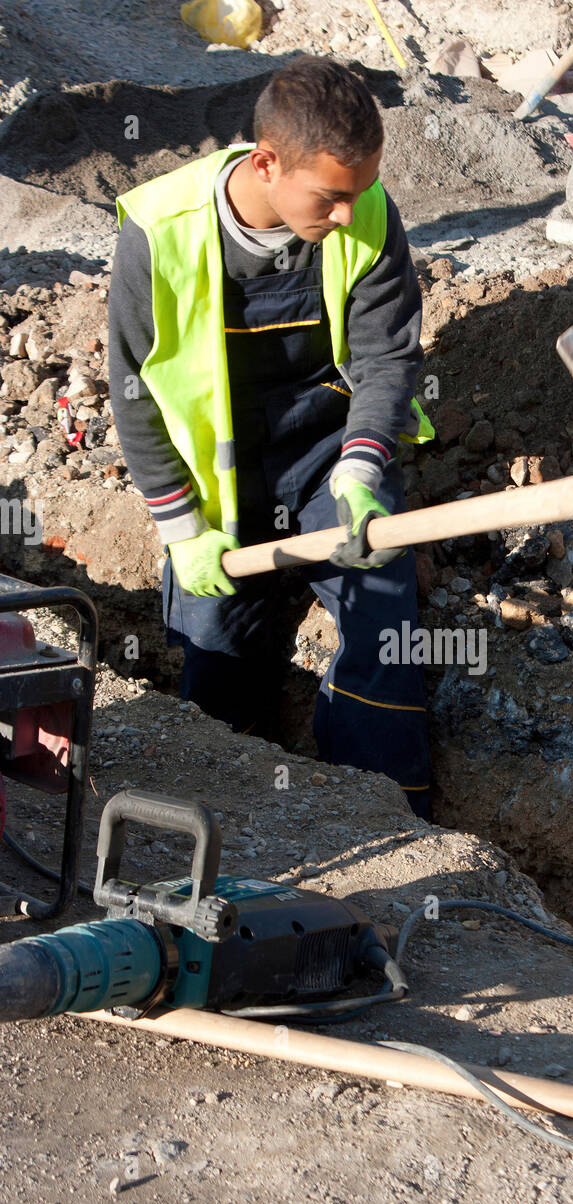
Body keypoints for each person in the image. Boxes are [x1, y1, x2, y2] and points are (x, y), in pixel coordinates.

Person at [108, 56, 434, 818]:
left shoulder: (370, 213)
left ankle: (390, 823)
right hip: (219, 483)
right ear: (266, 162)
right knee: (216, 667)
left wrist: (361, 473)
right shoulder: (160, 231)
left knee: (383, 629)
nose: (351, 213)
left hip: (329, 459)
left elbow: (388, 357)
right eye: (331, 196)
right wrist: (182, 529)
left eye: (360, 191)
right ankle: (232, 828)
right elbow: (136, 395)